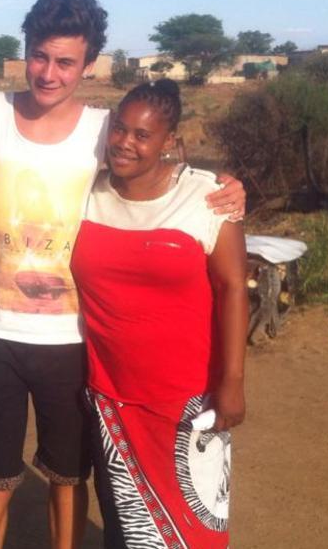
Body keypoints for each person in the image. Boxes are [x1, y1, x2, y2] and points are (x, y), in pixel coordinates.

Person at [0, 0, 245, 549]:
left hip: (71, 340)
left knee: (68, 480)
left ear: (88, 64)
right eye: (39, 57)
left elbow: (157, 162)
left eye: (66, 61)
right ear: (25, 52)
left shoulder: (103, 129)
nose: (49, 73)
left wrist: (228, 188)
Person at [70, 79, 248, 549]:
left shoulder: (206, 197)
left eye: (142, 135)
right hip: (112, 397)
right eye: (120, 129)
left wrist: (232, 381)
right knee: (126, 528)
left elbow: (232, 287)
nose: (125, 143)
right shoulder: (87, 194)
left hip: (188, 399)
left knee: (196, 531)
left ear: (169, 140)